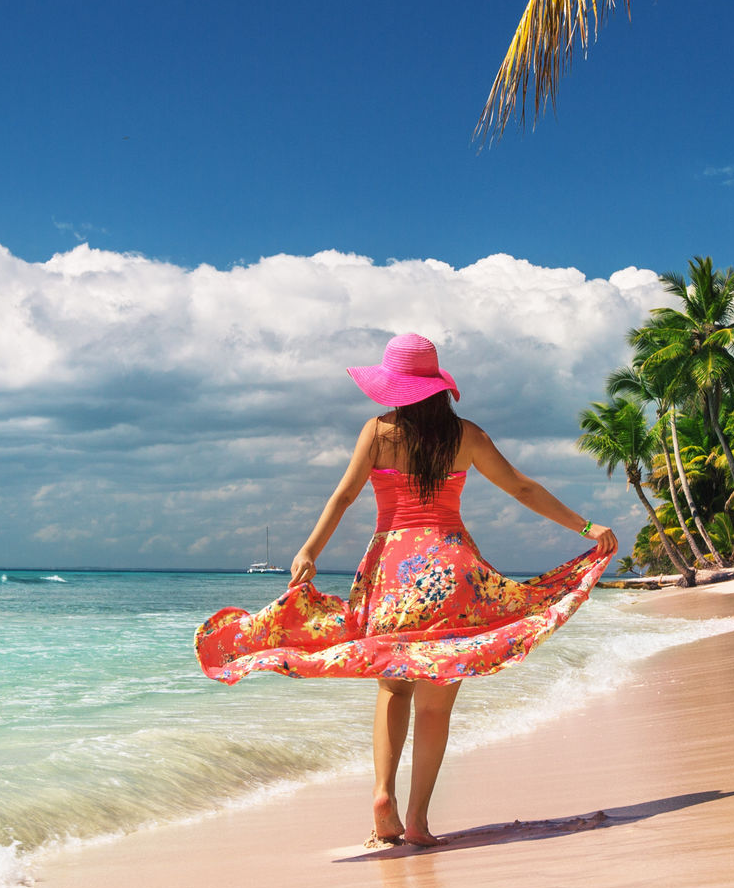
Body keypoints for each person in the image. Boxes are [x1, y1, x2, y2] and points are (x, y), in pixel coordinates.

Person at [194, 333, 618, 848]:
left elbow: (345, 494)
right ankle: (416, 820)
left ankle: (381, 796)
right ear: (438, 385)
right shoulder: (467, 435)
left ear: (394, 386)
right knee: (435, 707)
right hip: (452, 570)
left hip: (393, 571)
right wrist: (586, 526)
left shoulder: (377, 431)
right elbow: (522, 487)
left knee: (393, 687)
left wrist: (309, 551)